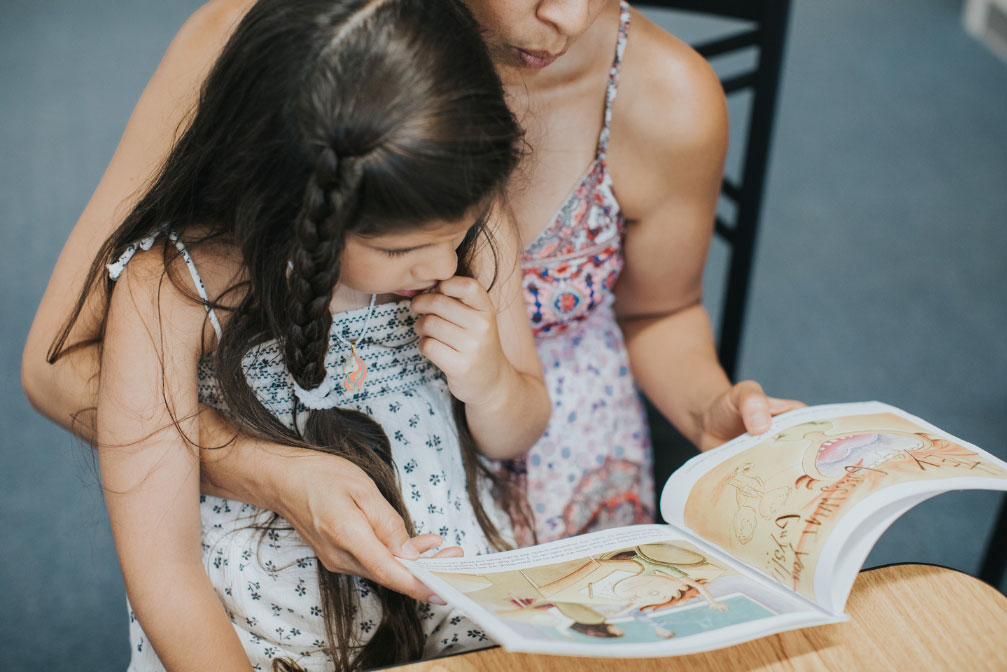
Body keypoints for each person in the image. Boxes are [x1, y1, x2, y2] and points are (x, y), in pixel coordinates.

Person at [22, 0, 802, 597]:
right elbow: (55, 365)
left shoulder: (665, 96)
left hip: (560, 467)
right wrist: (268, 471)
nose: (567, 16)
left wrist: (708, 410)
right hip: (306, 479)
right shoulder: (271, 47)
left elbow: (658, 310)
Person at [56, 0, 549, 669]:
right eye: (403, 250)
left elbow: (518, 429)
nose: (440, 266)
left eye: (453, 235)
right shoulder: (175, 292)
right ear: (291, 207)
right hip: (264, 644)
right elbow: (162, 572)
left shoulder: (472, 217)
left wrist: (489, 379)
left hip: (463, 631)